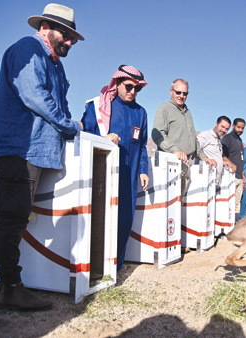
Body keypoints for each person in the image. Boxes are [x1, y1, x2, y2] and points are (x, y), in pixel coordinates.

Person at [0, 4, 84, 312]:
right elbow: (34, 96)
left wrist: (67, 123)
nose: (70, 42)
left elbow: (59, 101)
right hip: (21, 146)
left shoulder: (55, 63)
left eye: (73, 38)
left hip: (25, 147)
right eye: (66, 35)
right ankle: (11, 288)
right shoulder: (29, 48)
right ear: (45, 27)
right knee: (13, 216)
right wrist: (70, 126)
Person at [82, 65, 149, 270]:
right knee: (101, 218)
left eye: (137, 89)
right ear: (117, 83)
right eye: (129, 86)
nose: (132, 92)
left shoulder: (141, 113)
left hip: (128, 179)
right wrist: (103, 139)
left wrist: (143, 170)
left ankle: (115, 266)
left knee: (125, 220)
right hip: (102, 175)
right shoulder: (98, 107)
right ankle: (96, 266)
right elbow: (83, 135)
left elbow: (143, 145)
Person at [152, 78, 214, 194]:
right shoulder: (164, 108)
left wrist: (203, 156)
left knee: (181, 205)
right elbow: (157, 134)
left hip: (186, 165)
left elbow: (193, 138)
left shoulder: (188, 112)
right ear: (171, 91)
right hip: (170, 164)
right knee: (171, 204)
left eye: (185, 93)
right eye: (178, 92)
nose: (181, 96)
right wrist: (175, 150)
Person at [197, 115, 233, 185]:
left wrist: (222, 162)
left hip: (214, 182)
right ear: (216, 124)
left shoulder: (219, 141)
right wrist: (206, 159)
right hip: (204, 181)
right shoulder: (205, 135)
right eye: (222, 126)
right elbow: (194, 150)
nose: (223, 130)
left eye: (226, 129)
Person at [221, 118, 246, 219]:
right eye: (239, 127)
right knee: (228, 202)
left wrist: (243, 175)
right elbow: (221, 154)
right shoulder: (227, 138)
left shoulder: (239, 140)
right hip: (230, 175)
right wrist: (231, 164)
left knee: (235, 204)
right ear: (233, 126)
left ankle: (231, 223)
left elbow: (240, 159)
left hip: (239, 176)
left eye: (243, 128)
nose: (240, 130)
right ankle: (224, 224)